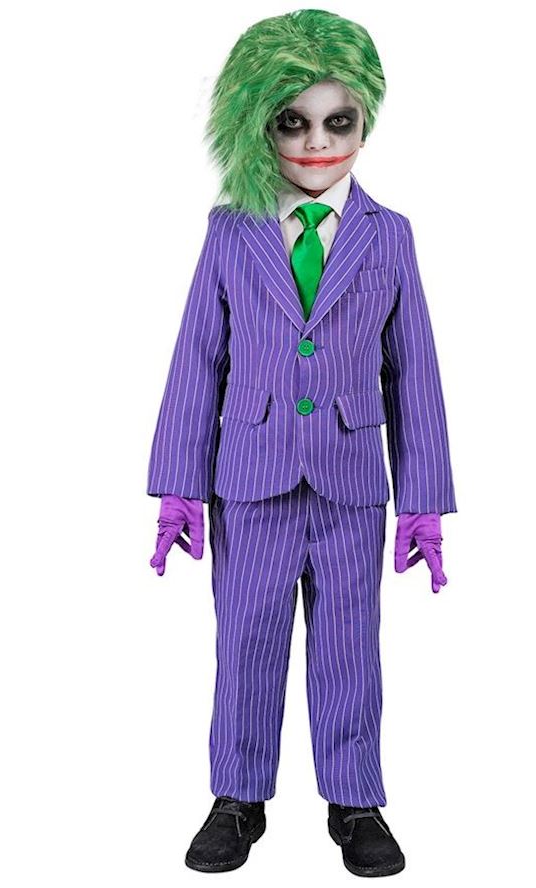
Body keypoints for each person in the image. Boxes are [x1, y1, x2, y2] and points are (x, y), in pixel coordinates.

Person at [146, 9, 457, 877]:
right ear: (257, 121)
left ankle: (354, 800)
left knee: (351, 645)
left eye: (338, 121)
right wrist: (178, 483)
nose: (317, 143)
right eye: (293, 121)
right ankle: (237, 797)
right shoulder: (230, 231)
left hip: (352, 481)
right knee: (245, 642)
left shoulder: (388, 235)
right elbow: (198, 359)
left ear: (366, 121)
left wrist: (424, 500)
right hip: (250, 478)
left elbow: (415, 371)